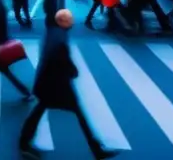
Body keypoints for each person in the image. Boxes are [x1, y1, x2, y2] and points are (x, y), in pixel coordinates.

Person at [19, 9, 116, 160]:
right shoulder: (60, 40)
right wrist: (72, 70)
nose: (72, 22)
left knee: (40, 111)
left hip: (48, 83)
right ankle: (96, 149)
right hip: (56, 85)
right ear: (62, 22)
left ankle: (24, 142)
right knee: (76, 113)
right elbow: (61, 60)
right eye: (69, 20)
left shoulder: (53, 32)